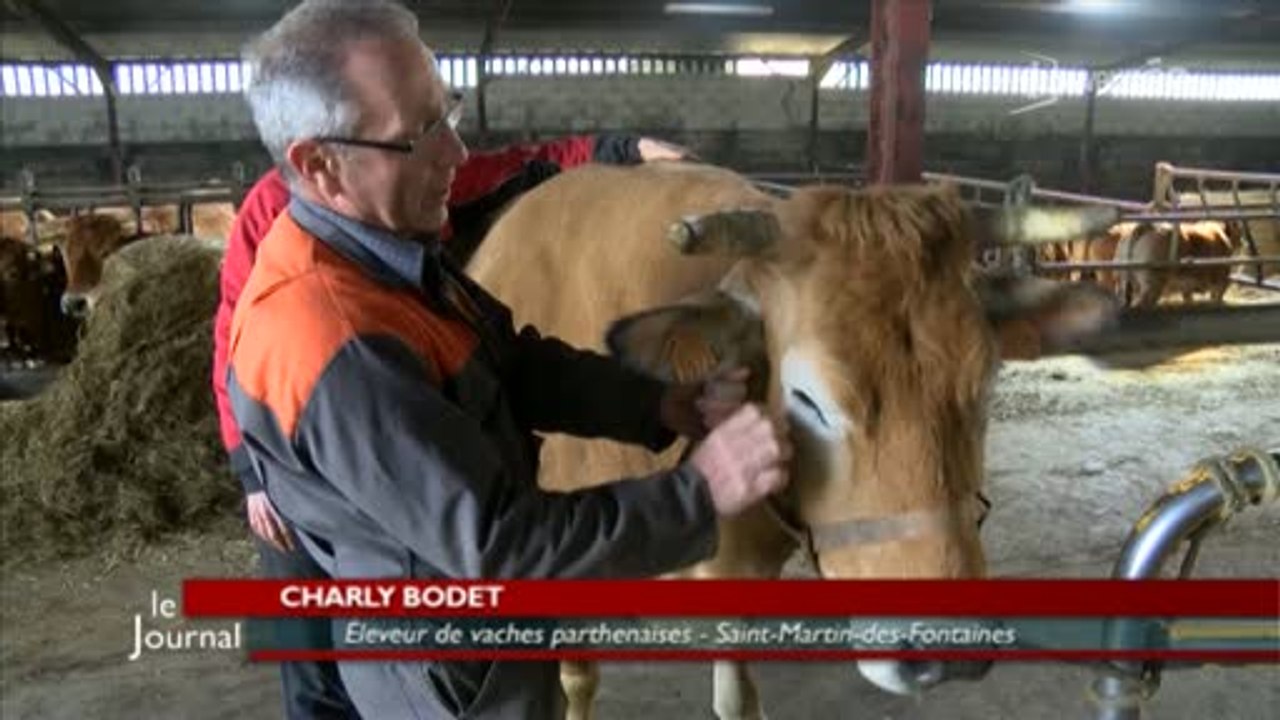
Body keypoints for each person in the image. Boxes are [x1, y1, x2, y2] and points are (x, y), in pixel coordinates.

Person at [226, 1, 790, 718]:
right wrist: (699, 492)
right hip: (452, 679)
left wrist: (654, 401)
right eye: (419, 135)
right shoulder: (330, 339)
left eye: (447, 114)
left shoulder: (382, 257)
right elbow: (499, 547)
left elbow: (509, 362)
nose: (456, 156)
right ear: (319, 164)